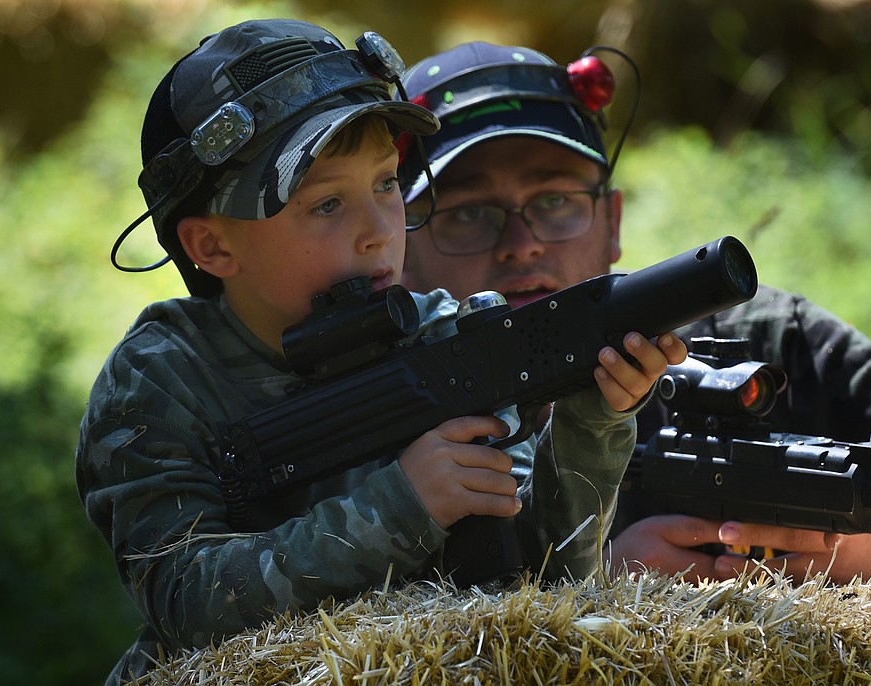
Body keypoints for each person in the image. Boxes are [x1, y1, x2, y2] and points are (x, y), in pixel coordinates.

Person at [76, 20, 685, 684]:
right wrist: (400, 507)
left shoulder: (445, 339)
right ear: (213, 246)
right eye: (328, 204)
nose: (378, 233)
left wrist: (591, 422)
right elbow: (187, 601)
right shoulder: (162, 379)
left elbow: (548, 587)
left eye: (388, 185)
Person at [397, 41, 871, 585]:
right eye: (468, 214)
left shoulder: (761, 341)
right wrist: (593, 579)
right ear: (397, 247)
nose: (520, 246)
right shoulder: (383, 409)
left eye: (554, 201)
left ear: (610, 222)